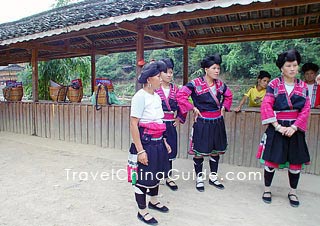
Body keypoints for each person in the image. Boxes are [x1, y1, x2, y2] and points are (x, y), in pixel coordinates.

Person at [257, 49, 311, 208]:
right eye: (288, 65)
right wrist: (277, 126)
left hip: (295, 129)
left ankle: (293, 191)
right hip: (277, 127)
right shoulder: (274, 84)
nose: (293, 68)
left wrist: (294, 127)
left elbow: (306, 109)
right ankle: (267, 189)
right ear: (281, 68)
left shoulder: (302, 86)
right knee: (271, 162)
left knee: (295, 164)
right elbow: (266, 105)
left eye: (295, 65)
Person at [176, 54, 233, 192]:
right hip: (202, 121)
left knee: (215, 151)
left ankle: (213, 177)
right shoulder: (195, 83)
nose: (217, 71)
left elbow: (229, 95)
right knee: (199, 151)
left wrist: (224, 107)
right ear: (206, 69)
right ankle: (199, 178)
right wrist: (192, 108)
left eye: (218, 68)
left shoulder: (220, 85)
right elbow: (181, 96)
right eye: (214, 68)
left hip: (217, 121)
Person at [129, 62, 172, 225]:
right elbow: (134, 124)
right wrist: (140, 151)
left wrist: (164, 141)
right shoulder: (139, 97)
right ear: (149, 79)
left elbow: (159, 121)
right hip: (145, 144)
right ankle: (142, 211)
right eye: (158, 76)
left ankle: (153, 201)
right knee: (143, 178)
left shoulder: (156, 96)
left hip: (158, 143)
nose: (161, 79)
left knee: (156, 174)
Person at [155, 58, 186, 191]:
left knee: (170, 150)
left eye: (171, 72)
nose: (169, 75)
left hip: (170, 124)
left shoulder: (176, 89)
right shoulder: (154, 89)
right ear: (160, 73)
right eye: (166, 72)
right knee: (157, 149)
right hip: (157, 124)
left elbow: (183, 105)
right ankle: (156, 175)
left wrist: (178, 118)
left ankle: (168, 177)